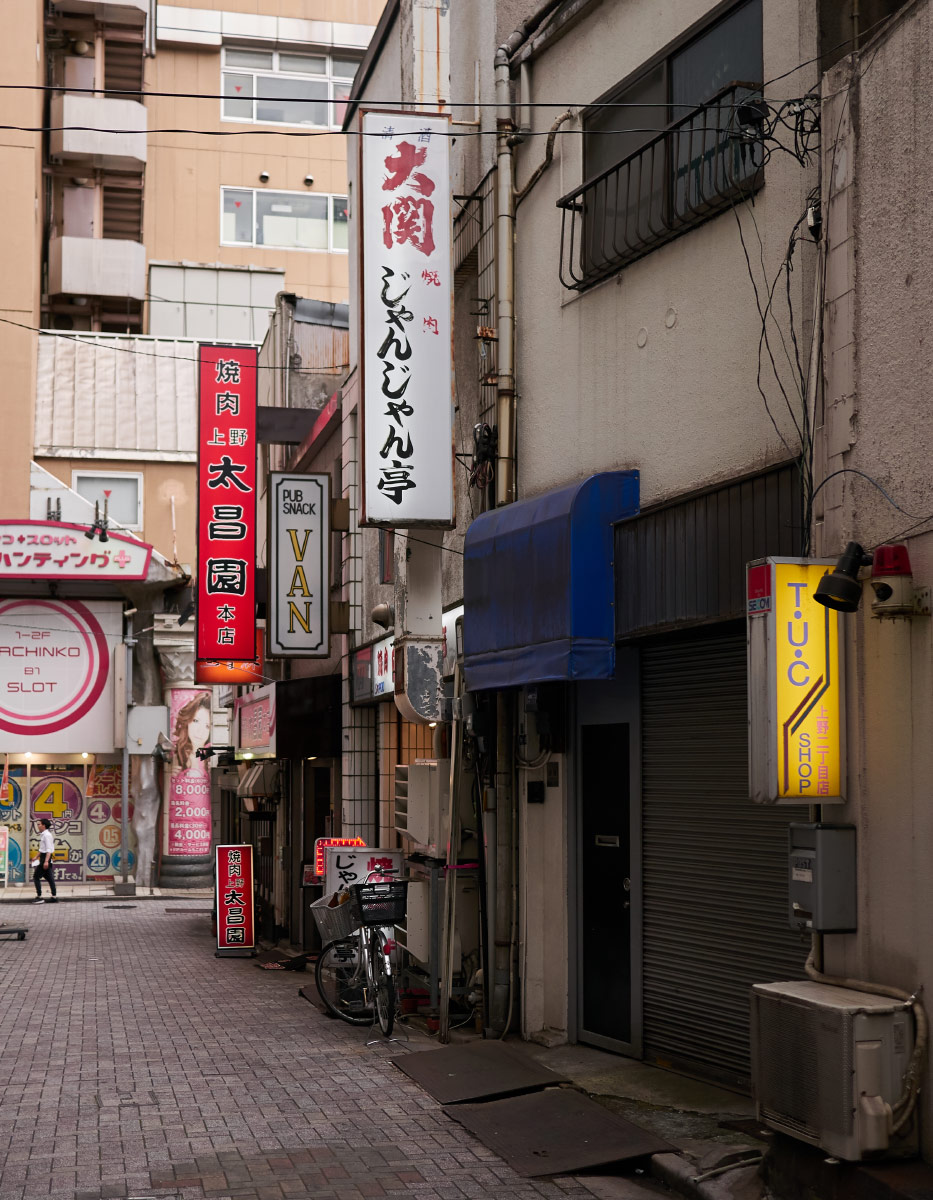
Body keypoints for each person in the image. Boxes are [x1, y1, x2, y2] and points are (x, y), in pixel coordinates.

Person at [172, 692, 212, 770]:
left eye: (207, 726)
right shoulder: (177, 755)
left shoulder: (213, 758)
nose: (199, 731)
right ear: (188, 720)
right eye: (196, 721)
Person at [33, 818, 57, 903]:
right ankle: (54, 896)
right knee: (50, 878)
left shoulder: (47, 835)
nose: (38, 826)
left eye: (39, 824)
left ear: (44, 825)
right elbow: (42, 849)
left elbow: (48, 850)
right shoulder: (44, 835)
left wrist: (46, 861)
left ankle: (39, 897)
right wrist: (36, 857)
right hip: (44, 858)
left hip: (45, 859)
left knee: (36, 877)